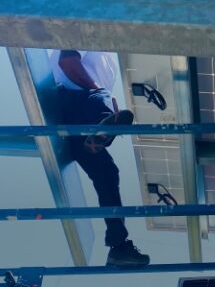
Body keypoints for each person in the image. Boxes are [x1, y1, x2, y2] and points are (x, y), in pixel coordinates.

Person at [49, 49, 149, 267]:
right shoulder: (85, 33)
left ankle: (118, 247)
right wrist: (100, 92)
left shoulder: (109, 60)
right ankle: (101, 129)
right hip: (68, 101)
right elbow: (67, 62)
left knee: (108, 173)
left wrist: (107, 100)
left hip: (82, 121)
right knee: (101, 94)